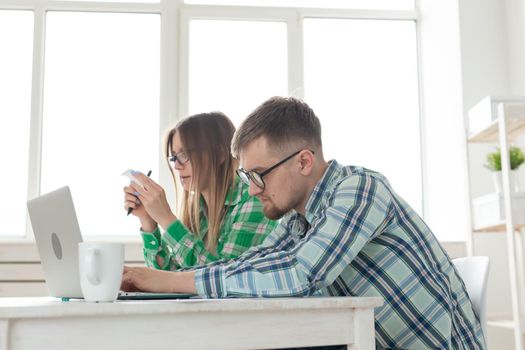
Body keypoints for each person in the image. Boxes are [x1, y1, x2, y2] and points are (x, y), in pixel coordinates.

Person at [122, 97, 486, 349]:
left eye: (259, 175)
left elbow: (302, 274)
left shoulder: (360, 189)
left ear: (304, 161)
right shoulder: (298, 221)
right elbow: (251, 262)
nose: (251, 190)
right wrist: (150, 277)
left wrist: (162, 279)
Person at [124, 112, 277, 270]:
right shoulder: (198, 212)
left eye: (184, 155)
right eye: (174, 157)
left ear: (220, 155)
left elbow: (224, 278)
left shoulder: (254, 199)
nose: (177, 166)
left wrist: (167, 220)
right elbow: (171, 277)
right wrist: (148, 220)